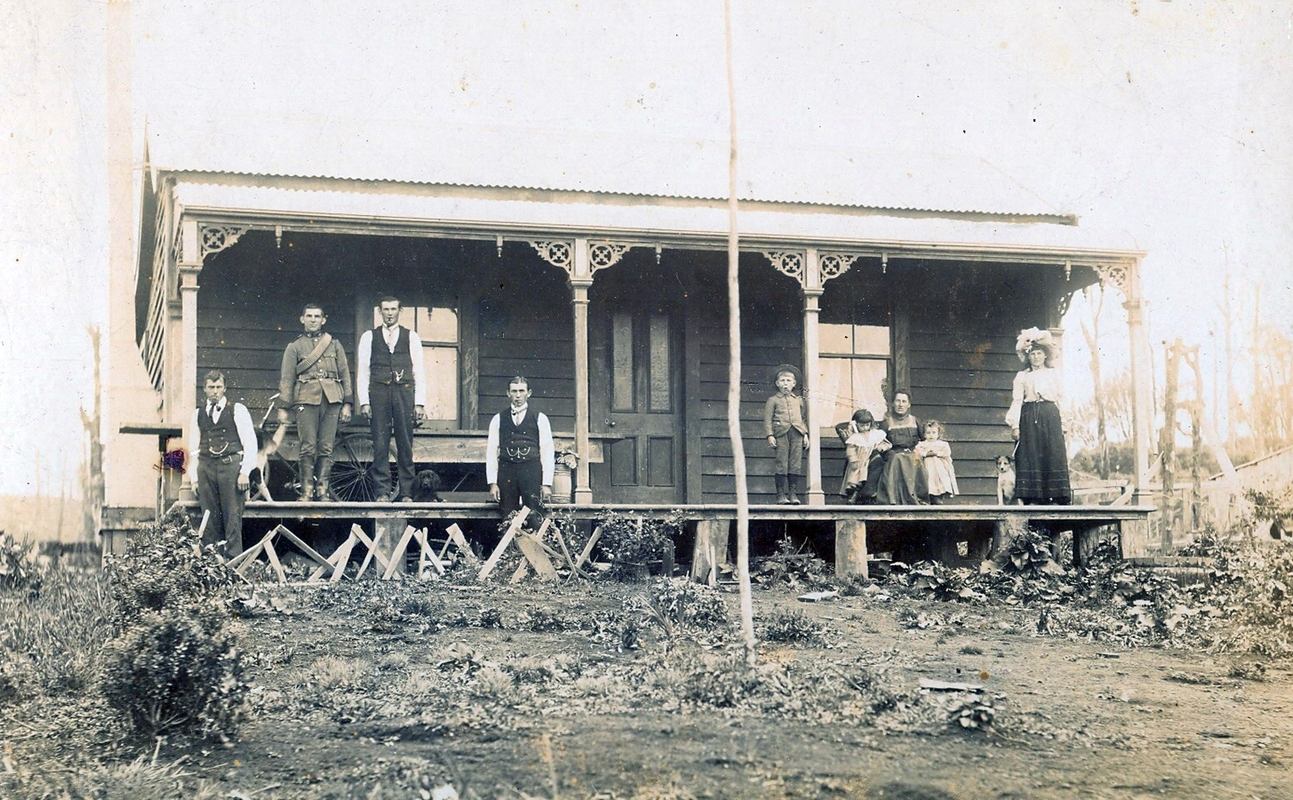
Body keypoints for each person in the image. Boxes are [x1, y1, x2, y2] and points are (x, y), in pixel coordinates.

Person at [278, 303, 353, 501]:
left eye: (317, 316)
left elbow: (345, 374)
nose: (313, 320)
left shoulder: (334, 344)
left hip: (332, 400)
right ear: (302, 319)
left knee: (326, 447)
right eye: (309, 316)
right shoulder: (294, 347)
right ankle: (307, 491)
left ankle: (323, 491)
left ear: (323, 320)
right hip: (305, 399)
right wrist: (284, 407)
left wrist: (347, 403)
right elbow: (287, 379)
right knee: (308, 446)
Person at [357, 296, 426, 502]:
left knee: (405, 442)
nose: (389, 313)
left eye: (393, 309)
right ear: (380, 311)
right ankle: (382, 492)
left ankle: (406, 492)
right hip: (378, 394)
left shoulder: (411, 336)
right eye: (385, 309)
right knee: (380, 443)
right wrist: (364, 401)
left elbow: (419, 371)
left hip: (404, 393)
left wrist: (420, 402)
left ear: (399, 310)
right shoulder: (369, 337)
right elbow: (363, 371)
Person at [187, 370, 258, 556]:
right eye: (211, 387)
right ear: (205, 389)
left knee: (232, 517)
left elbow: (250, 442)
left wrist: (245, 472)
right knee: (209, 518)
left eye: (219, 387)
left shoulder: (237, 409)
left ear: (224, 388)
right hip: (206, 470)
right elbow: (193, 448)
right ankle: (213, 563)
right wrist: (194, 478)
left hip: (230, 467)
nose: (215, 391)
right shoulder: (197, 414)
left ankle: (233, 563)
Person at [1006, 327, 1072, 504]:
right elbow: (1017, 400)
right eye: (1032, 354)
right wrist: (1015, 425)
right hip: (1028, 416)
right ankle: (1032, 497)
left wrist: (1064, 423)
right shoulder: (1022, 376)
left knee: (1051, 452)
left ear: (1045, 355)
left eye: (1039, 353)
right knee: (1030, 453)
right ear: (1028, 356)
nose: (1036, 357)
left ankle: (1055, 496)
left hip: (1050, 415)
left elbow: (1061, 398)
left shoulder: (1053, 374)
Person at [486, 376, 555, 518]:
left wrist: (546, 483)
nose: (518, 395)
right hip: (507, 471)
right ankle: (510, 541)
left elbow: (547, 451)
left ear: (529, 393)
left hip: (531, 470)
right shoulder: (498, 419)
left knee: (534, 514)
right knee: (507, 515)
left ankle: (533, 541)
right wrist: (493, 482)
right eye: (514, 391)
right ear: (508, 393)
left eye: (521, 391)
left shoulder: (540, 418)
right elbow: (491, 451)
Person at [763, 365, 810, 504]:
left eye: (788, 380)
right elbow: (767, 419)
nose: (785, 383)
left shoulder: (799, 400)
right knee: (781, 463)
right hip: (781, 433)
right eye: (782, 380)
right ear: (777, 383)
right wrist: (770, 435)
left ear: (794, 383)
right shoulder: (773, 400)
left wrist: (805, 434)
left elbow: (803, 418)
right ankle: (780, 495)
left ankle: (793, 494)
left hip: (797, 433)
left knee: (795, 464)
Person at [876, 390, 927, 504]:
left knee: (915, 459)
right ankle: (894, 499)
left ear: (908, 404)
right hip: (893, 454)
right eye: (898, 401)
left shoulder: (915, 421)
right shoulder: (887, 423)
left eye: (904, 401)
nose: (900, 404)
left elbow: (925, 440)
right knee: (897, 459)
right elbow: (879, 442)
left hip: (912, 453)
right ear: (893, 403)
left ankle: (917, 497)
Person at [833, 408, 890, 504]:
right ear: (856, 424)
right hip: (859, 461)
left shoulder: (875, 434)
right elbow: (850, 450)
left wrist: (881, 447)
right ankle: (854, 495)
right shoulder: (855, 437)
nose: (864, 428)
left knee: (876, 464)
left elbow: (886, 443)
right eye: (861, 425)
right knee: (857, 479)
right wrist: (854, 460)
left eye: (867, 425)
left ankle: (869, 492)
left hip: (871, 458)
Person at [914, 419, 958, 504]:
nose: (931, 435)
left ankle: (938, 498)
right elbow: (917, 453)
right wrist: (925, 453)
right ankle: (928, 499)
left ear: (938, 434)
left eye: (934, 433)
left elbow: (946, 452)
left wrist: (936, 453)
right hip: (927, 468)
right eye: (928, 433)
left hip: (939, 469)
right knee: (928, 482)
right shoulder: (922, 444)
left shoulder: (942, 444)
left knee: (939, 483)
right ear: (924, 434)